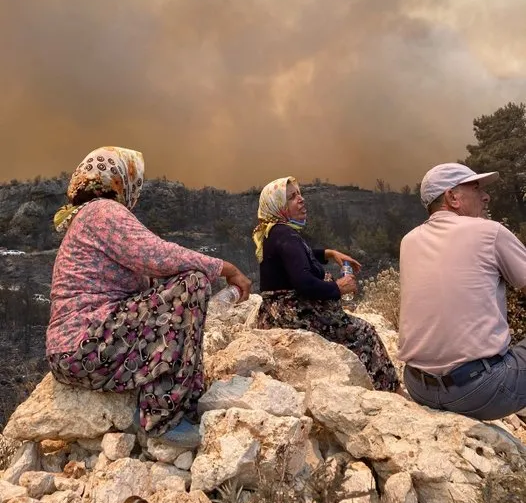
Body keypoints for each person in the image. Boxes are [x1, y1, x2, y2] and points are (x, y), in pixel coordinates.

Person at [47, 146, 251, 445]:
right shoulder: (103, 211)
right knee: (192, 282)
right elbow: (155, 255)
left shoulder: (86, 217)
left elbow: (152, 276)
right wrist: (224, 268)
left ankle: (175, 400)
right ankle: (161, 417)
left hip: (78, 351)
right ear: (121, 180)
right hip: (85, 346)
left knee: (178, 291)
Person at [399, 162, 526, 420]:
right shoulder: (490, 232)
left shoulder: (408, 240)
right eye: (476, 188)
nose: (485, 195)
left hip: (418, 387)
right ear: (452, 197)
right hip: (481, 391)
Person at [253, 176, 399, 392]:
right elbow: (304, 282)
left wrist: (328, 253)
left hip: (275, 313)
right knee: (364, 332)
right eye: (292, 197)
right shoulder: (285, 234)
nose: (301, 199)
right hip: (295, 314)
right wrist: (338, 288)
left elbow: (297, 257)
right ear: (278, 206)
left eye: (300, 193)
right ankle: (390, 390)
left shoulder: (273, 231)